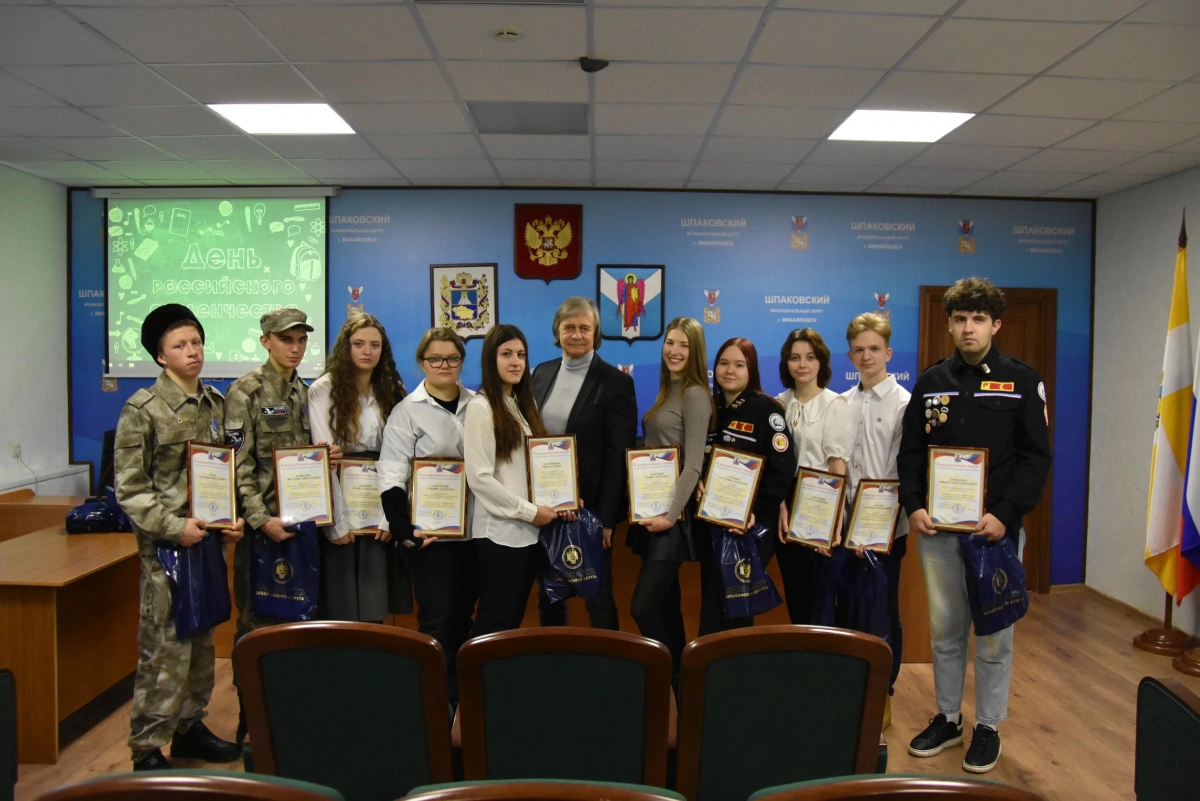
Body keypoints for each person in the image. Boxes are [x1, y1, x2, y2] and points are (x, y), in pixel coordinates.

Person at [899, 278, 1051, 774]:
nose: (969, 328)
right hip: (940, 530)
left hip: (995, 533)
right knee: (945, 630)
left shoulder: (1021, 380)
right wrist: (914, 505)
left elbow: (1035, 458)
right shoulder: (931, 381)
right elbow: (911, 451)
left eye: (979, 319)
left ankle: (988, 725)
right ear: (949, 324)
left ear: (995, 325)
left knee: (993, 634)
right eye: (961, 319)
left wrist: (1005, 514)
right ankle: (948, 718)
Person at [114, 304, 244, 770]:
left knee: (203, 642)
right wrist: (174, 527)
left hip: (206, 543)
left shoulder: (214, 402)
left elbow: (221, 471)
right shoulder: (142, 409)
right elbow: (130, 489)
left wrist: (229, 519)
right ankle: (147, 748)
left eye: (196, 342)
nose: (193, 352)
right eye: (180, 345)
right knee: (166, 649)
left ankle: (189, 729)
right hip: (166, 549)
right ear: (160, 356)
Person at [224, 307, 342, 743]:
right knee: (256, 625)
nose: (295, 348)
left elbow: (303, 459)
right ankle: (251, 719)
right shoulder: (246, 392)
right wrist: (260, 520)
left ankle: (289, 717)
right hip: (264, 530)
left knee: (299, 621)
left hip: (302, 525)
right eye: (285, 339)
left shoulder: (305, 392)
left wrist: (325, 457)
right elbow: (237, 466)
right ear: (266, 341)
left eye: (301, 340)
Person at [379, 327, 477, 706]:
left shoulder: (478, 405)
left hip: (474, 534)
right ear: (422, 362)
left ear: (461, 362)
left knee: (465, 617)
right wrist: (404, 530)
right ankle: (436, 705)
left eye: (452, 358)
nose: (444, 365)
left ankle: (464, 700)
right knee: (438, 619)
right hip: (429, 538)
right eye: (435, 358)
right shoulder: (406, 411)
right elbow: (391, 475)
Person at [532, 297, 638, 630]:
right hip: (545, 508)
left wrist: (606, 519)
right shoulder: (540, 373)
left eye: (584, 328)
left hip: (589, 512)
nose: (576, 335)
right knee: (549, 595)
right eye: (569, 327)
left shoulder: (616, 383)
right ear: (557, 332)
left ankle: (610, 660)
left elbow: (618, 456)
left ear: (596, 333)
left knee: (598, 597)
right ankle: (553, 656)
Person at [627, 317, 714, 682]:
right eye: (670, 342)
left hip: (671, 520)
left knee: (643, 608)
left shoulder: (694, 393)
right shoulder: (668, 390)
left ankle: (673, 675)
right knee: (666, 608)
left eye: (684, 345)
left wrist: (671, 514)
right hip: (653, 512)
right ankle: (679, 686)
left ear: (695, 352)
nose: (674, 351)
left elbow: (692, 464)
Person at [308, 313, 407, 623]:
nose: (367, 351)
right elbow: (325, 459)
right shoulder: (324, 389)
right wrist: (335, 523)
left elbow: (401, 455)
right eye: (359, 344)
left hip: (380, 503)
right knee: (342, 603)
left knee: (376, 598)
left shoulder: (393, 388)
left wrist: (391, 516)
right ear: (345, 347)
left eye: (375, 345)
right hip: (341, 502)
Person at [840, 312, 911, 730]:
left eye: (874, 349)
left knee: (883, 610)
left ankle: (884, 693)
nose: (866, 356)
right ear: (850, 356)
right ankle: (853, 690)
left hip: (886, 530)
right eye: (858, 350)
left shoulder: (904, 403)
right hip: (845, 528)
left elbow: (902, 471)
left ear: (888, 353)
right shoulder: (842, 402)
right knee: (850, 608)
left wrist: (873, 528)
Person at [465, 324, 559, 636]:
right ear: (490, 360)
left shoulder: (522, 405)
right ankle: (472, 671)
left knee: (510, 624)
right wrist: (530, 512)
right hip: (499, 536)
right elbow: (480, 479)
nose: (516, 361)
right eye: (506, 354)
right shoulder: (481, 408)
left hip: (528, 535)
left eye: (521, 354)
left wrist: (563, 498)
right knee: (493, 624)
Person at [699, 337, 796, 635]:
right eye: (724, 363)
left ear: (751, 369)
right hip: (711, 523)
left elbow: (781, 471)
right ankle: (709, 662)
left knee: (736, 605)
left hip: (752, 527)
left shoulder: (767, 411)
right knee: (712, 602)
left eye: (739, 365)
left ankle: (734, 663)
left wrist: (753, 511)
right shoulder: (709, 407)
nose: (730, 370)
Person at [774, 328, 851, 624]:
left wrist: (833, 523)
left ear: (821, 362)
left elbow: (837, 467)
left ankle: (820, 655)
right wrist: (781, 504)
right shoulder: (778, 403)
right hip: (785, 506)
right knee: (797, 598)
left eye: (810, 357)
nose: (802, 364)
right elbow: (775, 463)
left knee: (819, 603)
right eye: (795, 358)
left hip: (820, 504)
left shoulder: (834, 403)